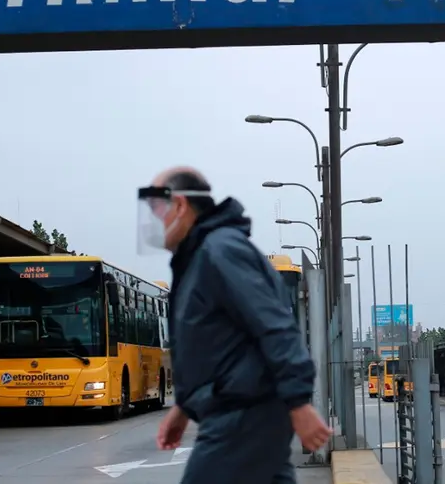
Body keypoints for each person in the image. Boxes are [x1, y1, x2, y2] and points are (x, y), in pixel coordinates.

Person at [139, 167, 331, 484]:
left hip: (243, 414)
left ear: (181, 206)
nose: (153, 221)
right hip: (242, 411)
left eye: (157, 209)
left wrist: (299, 403)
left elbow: (274, 325)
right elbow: (213, 346)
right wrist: (183, 407)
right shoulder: (200, 256)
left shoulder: (220, 251)